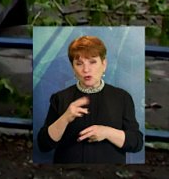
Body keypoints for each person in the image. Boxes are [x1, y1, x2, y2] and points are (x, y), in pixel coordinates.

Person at [36, 35, 144, 163]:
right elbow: (43, 145)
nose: (86, 70)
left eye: (92, 62)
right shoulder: (60, 98)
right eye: (79, 64)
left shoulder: (122, 97)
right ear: (73, 68)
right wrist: (65, 118)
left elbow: (136, 143)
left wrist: (107, 132)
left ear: (104, 64)